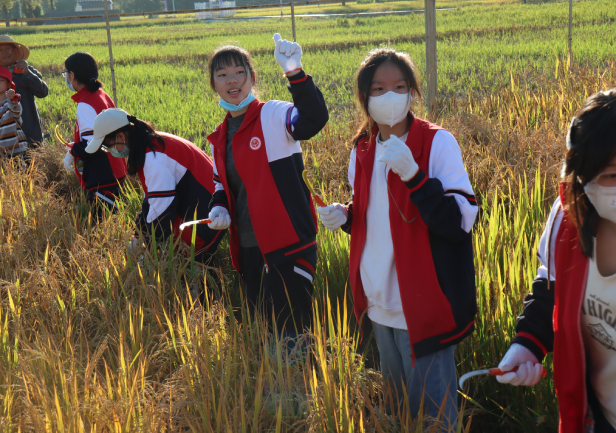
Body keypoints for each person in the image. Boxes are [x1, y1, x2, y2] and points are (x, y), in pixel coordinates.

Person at [316, 48, 478, 430]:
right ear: (365, 97)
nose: (390, 96)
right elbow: (373, 215)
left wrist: (416, 177)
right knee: (396, 414)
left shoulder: (438, 144)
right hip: (378, 301)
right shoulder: (362, 149)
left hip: (423, 306)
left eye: (399, 86)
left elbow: (458, 224)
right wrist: (346, 216)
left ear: (411, 92)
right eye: (379, 88)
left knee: (432, 418)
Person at [496, 89, 616, 433]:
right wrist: (527, 345)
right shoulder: (569, 221)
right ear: (583, 177)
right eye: (612, 175)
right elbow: (551, 286)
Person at [206, 34, 329, 336]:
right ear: (214, 84)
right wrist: (219, 207)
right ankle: (274, 385)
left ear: (252, 77)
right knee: (263, 334)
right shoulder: (218, 139)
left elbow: (312, 120)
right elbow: (221, 186)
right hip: (248, 250)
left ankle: (301, 384)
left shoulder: (273, 114)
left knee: (292, 334)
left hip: (286, 245)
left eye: (239, 72)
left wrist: (295, 72)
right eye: (222, 75)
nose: (232, 81)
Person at [87, 108, 225, 261]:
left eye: (108, 146)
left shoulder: (154, 157)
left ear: (121, 136)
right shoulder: (152, 143)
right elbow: (152, 201)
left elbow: (162, 211)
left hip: (206, 215)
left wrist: (150, 254)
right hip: (200, 205)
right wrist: (138, 235)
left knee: (190, 273)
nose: (109, 151)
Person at [61, 52, 128, 216]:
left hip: (102, 175)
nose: (67, 79)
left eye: (66, 74)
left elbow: (93, 144)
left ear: (72, 75)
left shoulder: (85, 104)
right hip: (116, 167)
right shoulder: (101, 94)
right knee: (117, 220)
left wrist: (73, 151)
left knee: (103, 226)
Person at [0, 35, 48, 148]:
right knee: (8, 164)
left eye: (8, 49)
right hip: (2, 138)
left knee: (34, 163)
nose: (4, 52)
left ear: (16, 51)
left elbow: (43, 92)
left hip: (30, 134)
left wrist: (27, 74)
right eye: (0, 50)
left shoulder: (28, 71)